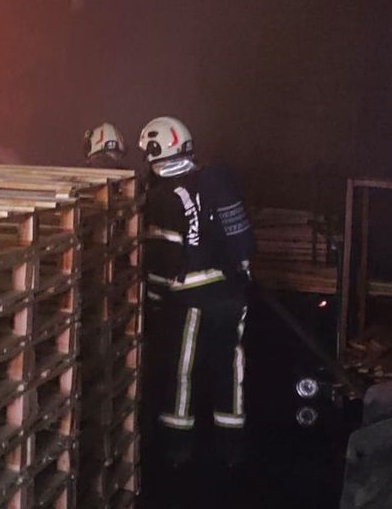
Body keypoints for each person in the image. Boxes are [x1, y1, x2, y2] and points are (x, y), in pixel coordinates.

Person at [137, 116, 255, 505]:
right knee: (230, 369)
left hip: (191, 298)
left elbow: (163, 257)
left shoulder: (163, 198)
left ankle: (177, 452)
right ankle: (232, 450)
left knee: (181, 372)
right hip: (232, 294)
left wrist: (153, 301)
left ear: (154, 151)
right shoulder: (208, 182)